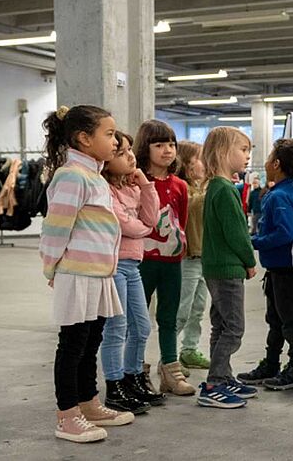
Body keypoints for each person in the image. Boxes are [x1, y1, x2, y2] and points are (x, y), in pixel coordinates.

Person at [40, 105, 133, 443]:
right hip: (78, 274)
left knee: (92, 341)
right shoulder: (71, 175)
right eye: (108, 134)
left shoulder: (95, 175)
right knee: (73, 345)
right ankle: (67, 415)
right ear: (83, 138)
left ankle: (88, 402)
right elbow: (55, 229)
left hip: (98, 274)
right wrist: (51, 267)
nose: (116, 140)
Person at [239, 138, 293, 391]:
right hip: (277, 271)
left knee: (288, 319)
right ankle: (271, 363)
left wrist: (254, 242)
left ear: (277, 164)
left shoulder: (278, 197)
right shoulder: (283, 192)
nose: (267, 162)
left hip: (284, 270)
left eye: (269, 157)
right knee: (276, 319)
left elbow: (285, 234)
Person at [196, 127, 260, 408]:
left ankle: (223, 375)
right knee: (234, 328)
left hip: (215, 268)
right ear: (224, 152)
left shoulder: (216, 186)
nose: (247, 156)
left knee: (221, 326)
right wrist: (249, 261)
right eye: (243, 150)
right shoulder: (225, 190)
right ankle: (215, 383)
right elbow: (237, 234)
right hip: (228, 269)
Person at [133, 120, 195, 396]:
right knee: (138, 318)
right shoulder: (136, 183)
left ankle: (170, 368)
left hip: (172, 262)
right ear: (145, 149)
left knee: (169, 316)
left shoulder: (180, 185)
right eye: (159, 145)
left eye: (171, 144)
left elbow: (180, 222)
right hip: (142, 261)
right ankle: (135, 370)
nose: (168, 150)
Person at [100, 130, 160, 414]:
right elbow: (126, 225)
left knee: (142, 326)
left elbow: (151, 218)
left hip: (133, 265)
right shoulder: (105, 190)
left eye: (130, 151)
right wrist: (145, 229)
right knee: (116, 329)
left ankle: (133, 377)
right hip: (114, 266)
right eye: (122, 153)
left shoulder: (133, 188)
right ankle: (114, 386)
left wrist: (146, 185)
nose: (130, 157)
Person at [175, 141, 212, 372]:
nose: (205, 163)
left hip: (203, 257)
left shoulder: (201, 187)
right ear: (187, 164)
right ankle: (167, 358)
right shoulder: (183, 188)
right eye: (200, 158)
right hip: (186, 259)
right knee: (181, 311)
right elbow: (192, 206)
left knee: (198, 309)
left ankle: (189, 350)